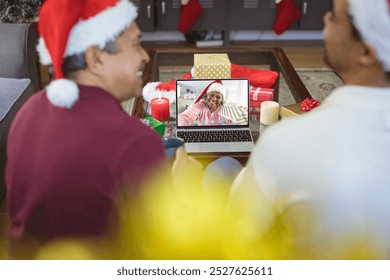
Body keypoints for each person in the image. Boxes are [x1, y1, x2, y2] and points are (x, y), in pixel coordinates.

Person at [5, 0, 168, 258]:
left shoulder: (28, 111)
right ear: (96, 59)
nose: (145, 56)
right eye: (136, 45)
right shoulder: (136, 140)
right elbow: (163, 243)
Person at [231, 0, 390, 258]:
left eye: (334, 17)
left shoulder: (287, 142)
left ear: (366, 52)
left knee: (224, 166)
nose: (325, 20)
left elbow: (237, 235)